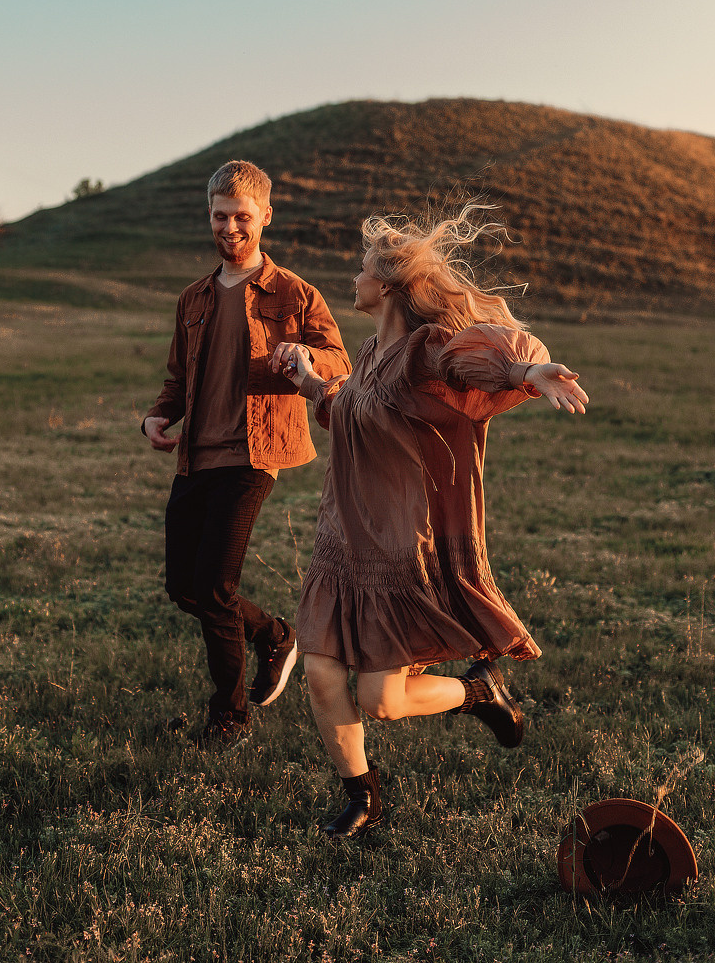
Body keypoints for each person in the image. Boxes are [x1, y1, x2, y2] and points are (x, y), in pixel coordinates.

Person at [271, 208, 589, 835]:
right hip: (342, 540)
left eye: (362, 269)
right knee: (319, 673)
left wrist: (524, 371)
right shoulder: (367, 354)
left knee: (381, 701)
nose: (353, 278)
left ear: (386, 286)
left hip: (399, 549)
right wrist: (312, 385)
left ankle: (479, 693)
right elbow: (356, 411)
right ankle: (361, 794)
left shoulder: (426, 351)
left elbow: (473, 358)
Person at [143, 160, 351, 747]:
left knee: (212, 587)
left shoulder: (294, 294)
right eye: (219, 216)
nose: (229, 227)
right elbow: (178, 376)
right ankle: (274, 636)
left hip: (254, 455)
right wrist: (158, 417)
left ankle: (229, 717)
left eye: (241, 216)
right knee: (184, 587)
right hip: (195, 457)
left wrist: (305, 360)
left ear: (265, 217)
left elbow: (339, 359)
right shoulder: (194, 298)